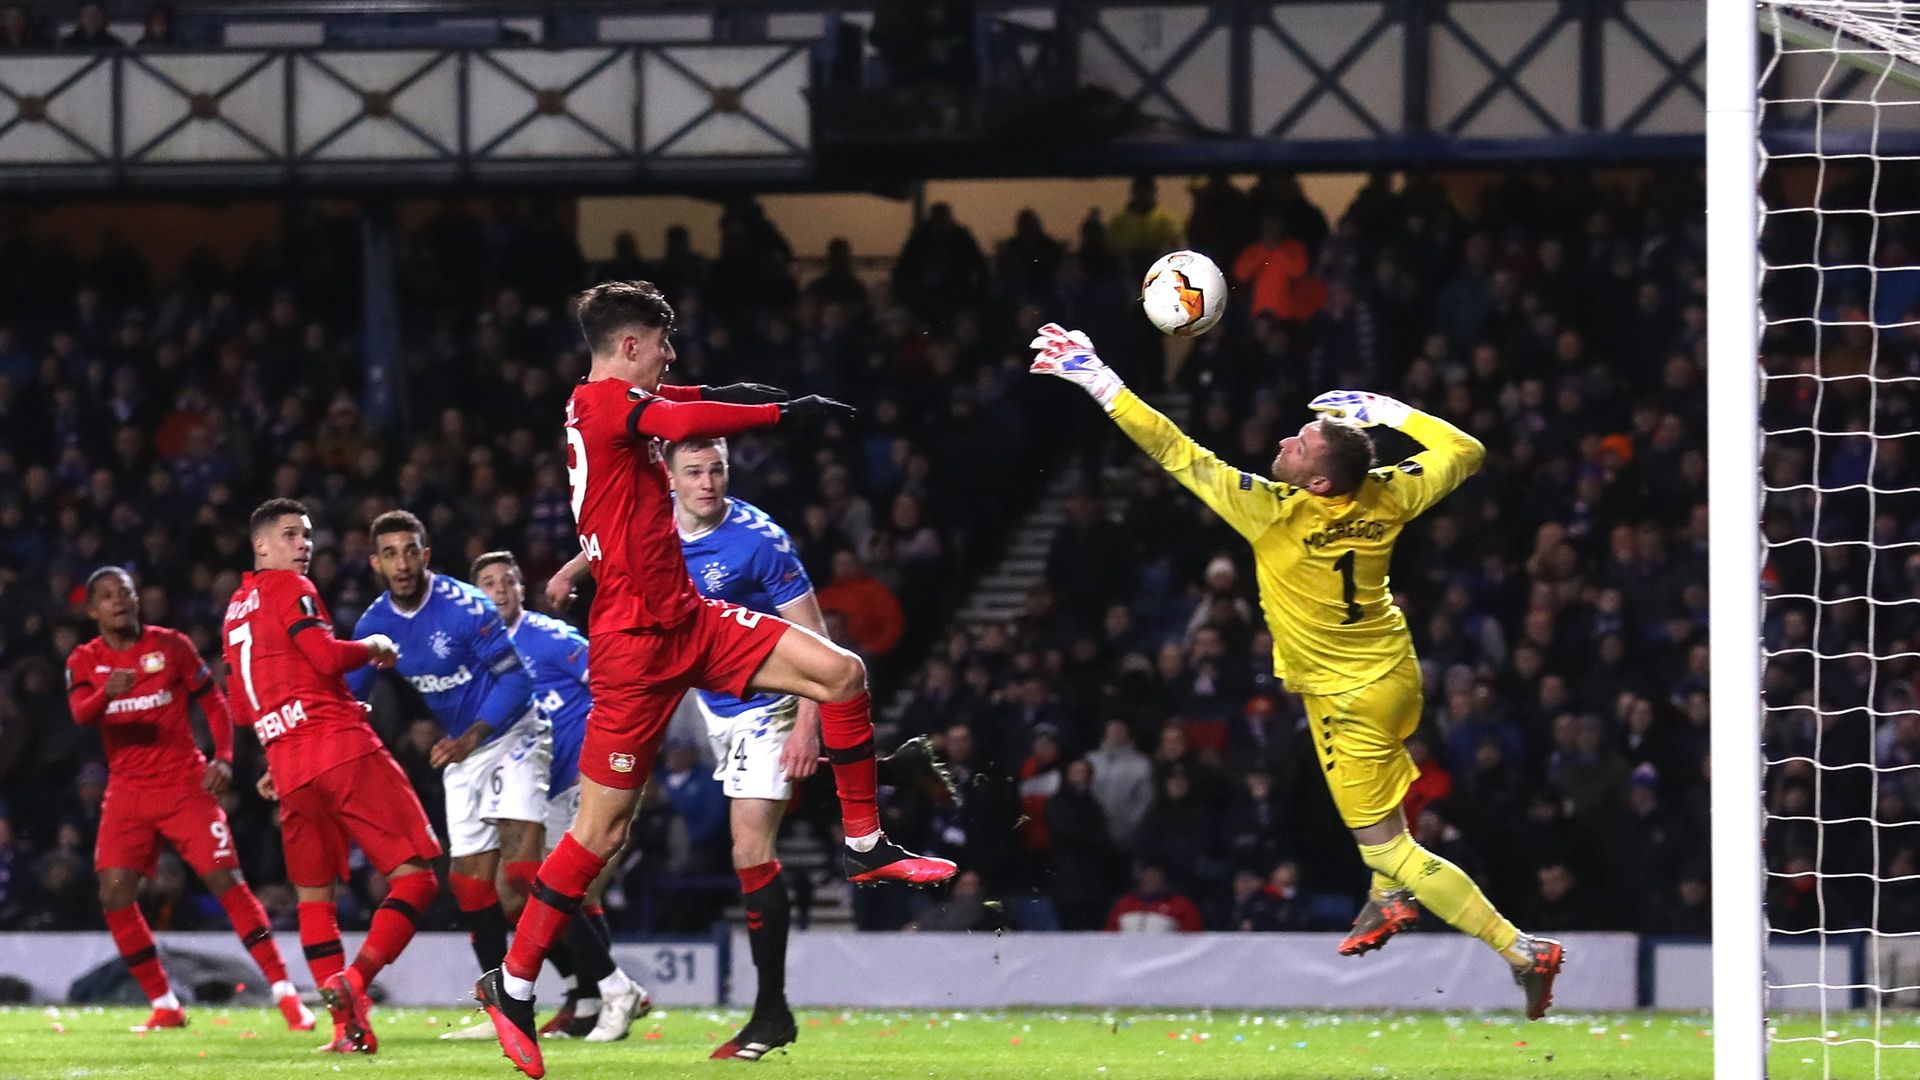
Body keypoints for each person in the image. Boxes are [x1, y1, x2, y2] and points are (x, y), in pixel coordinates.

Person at [479, 280, 954, 1078]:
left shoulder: (615, 401)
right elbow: (681, 417)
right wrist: (783, 417)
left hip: (689, 620)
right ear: (628, 347)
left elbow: (697, 397)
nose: (670, 358)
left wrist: (784, 394)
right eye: (661, 345)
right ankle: (516, 987)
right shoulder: (604, 406)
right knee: (601, 834)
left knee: (840, 674)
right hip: (632, 644)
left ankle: (865, 844)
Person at [1029, 322, 1563, 1019]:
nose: (1285, 441)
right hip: (1393, 674)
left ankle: (1521, 950)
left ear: (1316, 480)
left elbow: (1172, 448)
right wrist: (1389, 412)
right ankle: (1385, 903)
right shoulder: (1388, 492)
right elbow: (1466, 450)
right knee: (1377, 813)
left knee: (1390, 844)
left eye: (1301, 443)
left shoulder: (1273, 513)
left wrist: (1094, 376)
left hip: (1351, 701)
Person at [222, 499, 442, 1054]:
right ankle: (357, 981)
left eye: (308, 535)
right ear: (262, 546)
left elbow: (242, 707)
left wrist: (280, 745)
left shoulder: (234, 611)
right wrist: (373, 647)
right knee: (417, 877)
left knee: (314, 901)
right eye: (291, 535)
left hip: (290, 768)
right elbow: (322, 655)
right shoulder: (287, 588)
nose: (304, 545)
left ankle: (347, 1031)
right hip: (340, 750)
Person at [65, 566, 311, 1034]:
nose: (119, 601)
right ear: (92, 609)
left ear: (138, 600)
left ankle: (285, 992)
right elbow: (80, 715)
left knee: (227, 881)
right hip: (128, 793)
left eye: (126, 593)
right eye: (107, 596)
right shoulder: (84, 661)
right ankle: (164, 1002)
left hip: (184, 786)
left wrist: (222, 757)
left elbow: (213, 701)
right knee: (114, 894)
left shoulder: (170, 646)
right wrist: (104, 695)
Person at [665, 436, 823, 1060]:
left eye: (718, 470)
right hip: (710, 702)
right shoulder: (652, 520)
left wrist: (809, 723)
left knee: (750, 847)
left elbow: (818, 640)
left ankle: (771, 1011)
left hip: (771, 700)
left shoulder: (760, 539)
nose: (708, 482)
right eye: (695, 471)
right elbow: (607, 549)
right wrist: (574, 568)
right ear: (669, 478)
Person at [348, 512, 553, 990]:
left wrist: (471, 737)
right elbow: (346, 696)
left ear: (425, 555)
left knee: (522, 873)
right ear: (376, 563)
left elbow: (517, 679)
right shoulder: (375, 622)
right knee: (468, 886)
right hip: (462, 751)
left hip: (512, 732)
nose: (402, 563)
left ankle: (602, 984)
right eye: (390, 553)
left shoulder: (464, 605)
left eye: (409, 550)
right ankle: (502, 998)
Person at [472, 550, 650, 1043]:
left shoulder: (550, 638)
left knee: (564, 890)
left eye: (508, 580)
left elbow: (612, 681)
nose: (502, 589)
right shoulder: (481, 653)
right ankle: (584, 994)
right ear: (477, 595)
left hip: (583, 779)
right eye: (490, 583)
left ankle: (611, 994)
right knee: (522, 893)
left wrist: (614, 749)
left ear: (521, 589)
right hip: (536, 789)